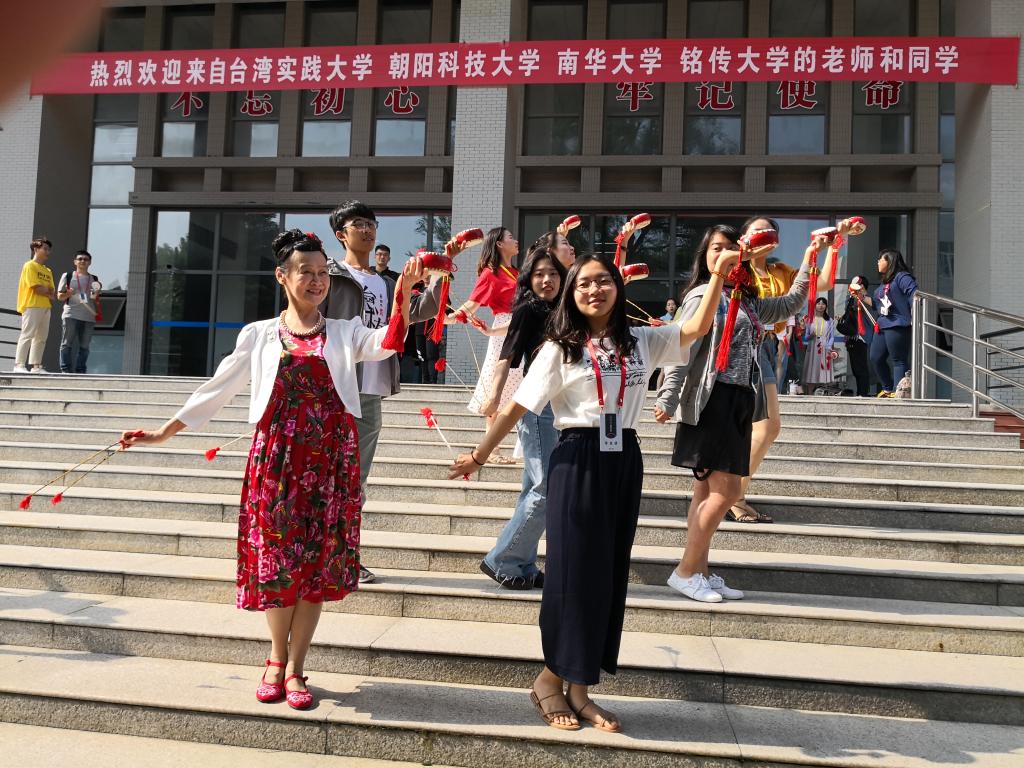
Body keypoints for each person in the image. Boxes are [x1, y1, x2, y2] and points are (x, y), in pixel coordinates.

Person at [121, 230, 423, 711]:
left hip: (330, 463)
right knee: (278, 562)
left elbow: (387, 343)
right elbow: (217, 387)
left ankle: (298, 667)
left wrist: (404, 291)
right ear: (282, 276)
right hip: (277, 461)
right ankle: (276, 659)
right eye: (306, 272)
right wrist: (163, 431)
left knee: (316, 566)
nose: (317, 281)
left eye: (323, 273)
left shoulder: (345, 331)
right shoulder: (259, 334)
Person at [449, 250, 736, 733]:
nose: (593, 290)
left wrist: (719, 275)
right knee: (573, 574)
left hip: (624, 458)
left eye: (603, 281)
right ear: (571, 293)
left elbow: (695, 328)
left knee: (607, 575)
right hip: (577, 459)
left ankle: (579, 689)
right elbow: (517, 407)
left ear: (618, 288)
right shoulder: (560, 348)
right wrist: (478, 456)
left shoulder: (641, 340)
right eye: (582, 283)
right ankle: (548, 679)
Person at [655, 225, 819, 603]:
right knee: (727, 492)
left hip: (739, 400)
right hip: (711, 400)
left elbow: (790, 303)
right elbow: (682, 346)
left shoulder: (745, 298)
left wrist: (810, 256)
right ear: (705, 257)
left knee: (705, 492)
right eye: (717, 248)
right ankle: (685, 571)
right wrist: (668, 396)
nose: (725, 253)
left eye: (732, 246)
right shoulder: (702, 296)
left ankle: (699, 571)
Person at [322, 201, 446, 583]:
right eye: (359, 223)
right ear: (341, 234)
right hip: (336, 389)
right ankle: (328, 556)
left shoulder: (387, 283)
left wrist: (441, 272)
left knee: (355, 482)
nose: (368, 229)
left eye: (371, 223)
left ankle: (343, 557)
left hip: (371, 390)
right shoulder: (329, 275)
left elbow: (421, 310)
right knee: (331, 478)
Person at [730, 216, 846, 524]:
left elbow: (821, 283)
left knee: (763, 427)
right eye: (757, 231)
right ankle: (733, 496)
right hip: (742, 346)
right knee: (763, 426)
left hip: (768, 345)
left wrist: (832, 246)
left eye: (769, 231)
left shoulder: (780, 271)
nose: (763, 235)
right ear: (743, 237)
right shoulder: (734, 268)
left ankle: (733, 494)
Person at [478, 245, 566, 589]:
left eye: (553, 273)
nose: (547, 280)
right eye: (539, 274)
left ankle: (523, 564)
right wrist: (494, 396)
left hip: (564, 405)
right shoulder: (528, 310)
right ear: (529, 279)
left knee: (534, 487)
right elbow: (508, 355)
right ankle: (502, 559)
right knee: (546, 487)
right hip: (537, 405)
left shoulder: (567, 308)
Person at [451, 226, 523, 463]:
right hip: (503, 330)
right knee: (498, 389)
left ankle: (503, 447)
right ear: (499, 244)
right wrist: (448, 318)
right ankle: (492, 449)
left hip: (522, 328)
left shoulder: (517, 272)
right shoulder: (490, 274)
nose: (516, 240)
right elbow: (471, 304)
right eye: (511, 237)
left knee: (519, 388)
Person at [865, 249, 917, 398]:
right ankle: (887, 388)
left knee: (898, 360)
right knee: (875, 357)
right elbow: (877, 304)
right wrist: (861, 296)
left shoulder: (902, 277)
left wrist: (914, 313)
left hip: (897, 323)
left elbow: (914, 293)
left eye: (881, 259)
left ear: (890, 261)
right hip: (882, 324)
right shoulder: (885, 282)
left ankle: (897, 391)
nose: (878, 262)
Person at [14, 236, 56, 373]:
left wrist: (45, 290)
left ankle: (36, 366)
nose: (47, 252)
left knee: (41, 337)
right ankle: (19, 365)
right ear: (35, 249)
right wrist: (45, 290)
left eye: (49, 249)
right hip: (32, 305)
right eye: (45, 248)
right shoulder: (29, 265)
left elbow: (52, 292)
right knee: (27, 334)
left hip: (46, 306)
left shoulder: (48, 271)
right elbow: (36, 288)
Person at [56, 250, 101, 374]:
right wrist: (68, 293)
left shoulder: (94, 279)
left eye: (86, 259)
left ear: (90, 262)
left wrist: (96, 293)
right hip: (71, 314)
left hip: (88, 316)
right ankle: (65, 369)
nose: (82, 261)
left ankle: (81, 370)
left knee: (85, 347)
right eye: (80, 259)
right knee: (66, 343)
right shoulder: (68, 276)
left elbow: (93, 298)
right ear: (75, 261)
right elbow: (59, 296)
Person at [838, 275, 874, 396]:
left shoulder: (868, 299)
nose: (853, 288)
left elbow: (868, 313)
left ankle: (863, 393)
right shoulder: (851, 298)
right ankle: (860, 393)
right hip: (853, 337)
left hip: (864, 338)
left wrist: (860, 296)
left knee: (862, 368)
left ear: (862, 286)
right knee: (856, 369)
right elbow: (849, 311)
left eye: (856, 285)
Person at [802, 297, 838, 392]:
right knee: (812, 370)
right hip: (813, 348)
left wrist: (828, 347)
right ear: (815, 306)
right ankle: (810, 393)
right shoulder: (810, 319)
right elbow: (806, 337)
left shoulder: (829, 320)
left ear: (826, 306)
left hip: (824, 349)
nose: (820, 306)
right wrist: (811, 335)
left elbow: (832, 337)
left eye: (823, 304)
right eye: (818, 303)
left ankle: (822, 392)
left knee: (823, 371)